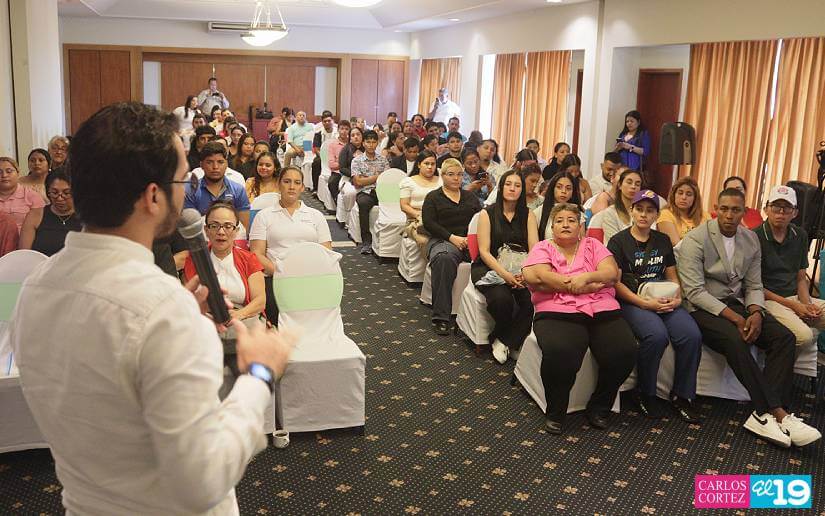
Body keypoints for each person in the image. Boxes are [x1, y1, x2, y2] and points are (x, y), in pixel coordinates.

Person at [10, 101, 295, 515]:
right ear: (153, 196)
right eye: (183, 179)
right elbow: (203, 480)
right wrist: (259, 376)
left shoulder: (36, 286)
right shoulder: (161, 310)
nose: (187, 192)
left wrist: (179, 323)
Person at [678, 188, 821, 447]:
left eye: (736, 210)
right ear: (715, 209)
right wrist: (737, 319)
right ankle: (778, 413)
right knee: (736, 340)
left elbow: (754, 285)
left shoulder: (749, 239)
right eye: (724, 209)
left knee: (784, 337)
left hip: (740, 303)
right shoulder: (696, 239)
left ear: (744, 212)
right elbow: (695, 292)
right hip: (704, 308)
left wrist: (756, 311)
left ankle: (764, 416)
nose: (729, 215)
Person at [522, 203, 637, 435]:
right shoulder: (543, 247)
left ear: (580, 225)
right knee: (561, 351)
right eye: (559, 220)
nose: (565, 224)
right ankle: (556, 410)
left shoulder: (593, 245)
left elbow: (610, 274)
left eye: (571, 220)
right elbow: (535, 276)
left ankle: (600, 405)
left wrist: (585, 278)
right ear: (552, 226)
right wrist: (580, 286)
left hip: (601, 308)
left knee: (624, 350)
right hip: (557, 310)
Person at [607, 190, 702, 422]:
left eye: (650, 211)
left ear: (657, 215)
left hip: (663, 297)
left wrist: (677, 298)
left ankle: (683, 395)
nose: (644, 215)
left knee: (691, 335)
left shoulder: (662, 240)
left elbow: (672, 276)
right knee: (656, 336)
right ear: (632, 211)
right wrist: (644, 304)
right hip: (633, 300)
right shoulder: (618, 241)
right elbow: (615, 283)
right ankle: (645, 392)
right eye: (639, 209)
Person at [183, 201, 266, 367]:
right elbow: (189, 300)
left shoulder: (249, 259)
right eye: (214, 226)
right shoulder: (195, 260)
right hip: (207, 319)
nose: (221, 232)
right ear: (206, 230)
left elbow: (260, 301)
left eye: (228, 226)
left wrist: (239, 314)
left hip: (243, 316)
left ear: (236, 231)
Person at [249, 166, 332, 322]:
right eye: (287, 181)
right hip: (276, 276)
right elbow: (256, 254)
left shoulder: (316, 216)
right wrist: (281, 272)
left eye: (297, 182)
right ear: (278, 184)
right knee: (276, 311)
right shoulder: (264, 216)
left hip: (310, 276)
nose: (292, 186)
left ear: (302, 187)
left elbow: (327, 253)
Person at [473, 170, 538, 363]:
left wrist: (524, 273)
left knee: (533, 301)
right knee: (502, 300)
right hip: (490, 268)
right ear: (501, 187)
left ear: (522, 190)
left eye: (517, 185)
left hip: (521, 270)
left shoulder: (528, 215)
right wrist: (505, 275)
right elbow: (484, 251)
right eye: (508, 184)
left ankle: (504, 341)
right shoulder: (487, 213)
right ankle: (511, 340)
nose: (512, 188)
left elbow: (535, 249)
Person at [758, 185, 825, 346]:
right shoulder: (754, 236)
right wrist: (794, 306)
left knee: (811, 322)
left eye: (787, 208)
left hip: (795, 297)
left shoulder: (800, 235)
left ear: (795, 212)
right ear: (766, 209)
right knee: (805, 336)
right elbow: (755, 286)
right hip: (769, 300)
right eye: (776, 206)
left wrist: (807, 304)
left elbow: (801, 278)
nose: (781, 212)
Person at [422, 159, 482, 335]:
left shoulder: (470, 197)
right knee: (444, 258)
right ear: (442, 176)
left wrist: (471, 240)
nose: (456, 178)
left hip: (470, 241)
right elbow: (429, 223)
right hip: (443, 240)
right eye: (451, 174)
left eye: (459, 174)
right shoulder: (433, 197)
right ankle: (441, 317)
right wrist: (452, 238)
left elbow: (481, 219)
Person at [184, 141, 251, 230]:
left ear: (226, 164)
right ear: (201, 165)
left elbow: (245, 226)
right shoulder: (191, 190)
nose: (215, 167)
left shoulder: (238, 190)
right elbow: (189, 227)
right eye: (209, 162)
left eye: (220, 162)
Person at [23, 171, 82, 256]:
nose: (60, 198)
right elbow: (24, 254)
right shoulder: (35, 215)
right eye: (54, 193)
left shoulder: (86, 217)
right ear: (48, 192)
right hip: (42, 263)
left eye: (66, 193)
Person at [352, 130, 390, 254]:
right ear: (363, 143)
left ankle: (388, 239)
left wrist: (367, 179)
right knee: (363, 204)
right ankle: (366, 241)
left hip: (382, 191)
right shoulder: (357, 161)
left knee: (396, 200)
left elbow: (387, 179)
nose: (371, 145)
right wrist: (377, 177)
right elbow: (358, 182)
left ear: (377, 143)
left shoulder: (383, 160)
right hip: (365, 192)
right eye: (368, 142)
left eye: (374, 142)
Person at [400, 150, 442, 252]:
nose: (430, 167)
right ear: (419, 165)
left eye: (433, 164)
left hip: (439, 219)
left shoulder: (441, 181)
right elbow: (404, 205)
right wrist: (420, 215)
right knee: (424, 241)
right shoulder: (408, 181)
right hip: (416, 221)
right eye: (426, 163)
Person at [588, 168, 643, 245]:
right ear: (619, 185)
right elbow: (614, 244)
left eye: (637, 184)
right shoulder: (610, 213)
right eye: (629, 182)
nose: (633, 186)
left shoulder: (643, 213)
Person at [0, 157, 45, 240]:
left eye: (9, 171)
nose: (4, 175)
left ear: (18, 173)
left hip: (25, 244)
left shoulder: (32, 197)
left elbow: (41, 227)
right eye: (0, 172)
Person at [658, 177, 710, 245]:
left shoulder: (705, 216)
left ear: (695, 198)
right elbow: (676, 245)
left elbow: (711, 242)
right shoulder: (665, 214)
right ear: (673, 195)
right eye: (680, 193)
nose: (684, 197)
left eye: (689, 194)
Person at [536, 171, 581, 240]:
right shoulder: (539, 212)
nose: (563, 191)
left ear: (573, 192)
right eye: (559, 187)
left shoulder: (578, 212)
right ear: (552, 189)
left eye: (568, 188)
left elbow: (581, 242)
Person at [311, 111, 337, 193]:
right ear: (322, 122)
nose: (327, 123)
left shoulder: (338, 133)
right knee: (316, 162)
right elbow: (316, 149)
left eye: (329, 121)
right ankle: (316, 188)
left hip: (336, 156)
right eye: (325, 121)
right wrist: (324, 158)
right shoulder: (318, 134)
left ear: (332, 121)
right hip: (323, 156)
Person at [327, 119, 351, 202]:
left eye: (346, 129)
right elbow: (331, 164)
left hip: (350, 171)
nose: (344, 131)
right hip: (338, 172)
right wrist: (343, 165)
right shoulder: (333, 145)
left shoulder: (352, 144)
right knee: (332, 183)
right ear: (338, 130)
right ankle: (339, 203)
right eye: (342, 129)